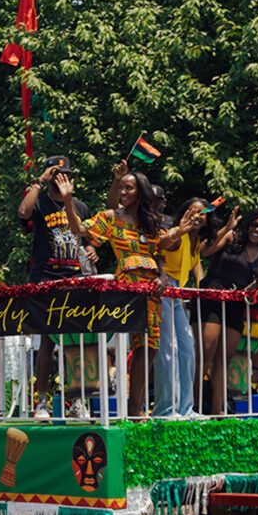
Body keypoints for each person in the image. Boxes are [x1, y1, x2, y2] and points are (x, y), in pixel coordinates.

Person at [58, 169, 168, 417]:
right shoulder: (111, 217)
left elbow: (159, 256)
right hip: (126, 289)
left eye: (129, 188)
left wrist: (162, 277)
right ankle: (124, 409)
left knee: (149, 348)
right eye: (121, 188)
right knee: (124, 344)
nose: (123, 192)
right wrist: (67, 200)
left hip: (151, 290)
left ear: (140, 191)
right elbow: (79, 230)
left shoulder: (151, 222)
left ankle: (135, 408)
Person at [17, 155, 97, 421]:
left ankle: (76, 401)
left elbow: (88, 237)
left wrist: (91, 250)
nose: (62, 178)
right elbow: (23, 213)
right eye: (56, 173)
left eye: (66, 174)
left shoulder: (80, 206)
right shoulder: (40, 202)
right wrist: (40, 182)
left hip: (74, 278)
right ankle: (42, 402)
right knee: (47, 341)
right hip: (46, 278)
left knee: (75, 342)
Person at [190, 207, 258, 414]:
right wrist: (227, 227)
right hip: (212, 296)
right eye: (254, 224)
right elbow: (203, 250)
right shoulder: (231, 237)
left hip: (236, 304)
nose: (257, 230)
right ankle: (192, 404)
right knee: (206, 350)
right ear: (248, 224)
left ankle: (218, 411)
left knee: (224, 358)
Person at [153, 197, 226, 418]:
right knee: (168, 350)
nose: (197, 216)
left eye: (202, 213)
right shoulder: (179, 233)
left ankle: (186, 409)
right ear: (185, 214)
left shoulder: (194, 241)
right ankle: (166, 410)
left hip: (179, 294)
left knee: (187, 351)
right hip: (163, 291)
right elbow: (161, 245)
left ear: (206, 219)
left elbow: (197, 268)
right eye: (193, 211)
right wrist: (179, 231)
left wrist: (203, 292)